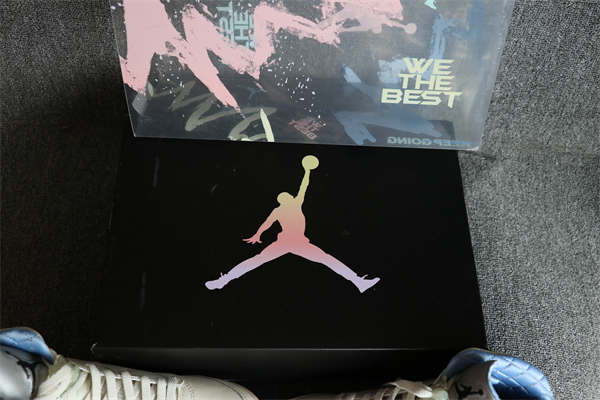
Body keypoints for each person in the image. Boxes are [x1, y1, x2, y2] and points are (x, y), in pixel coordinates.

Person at [205, 155, 380, 293]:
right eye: (287, 196)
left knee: (325, 259)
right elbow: (270, 220)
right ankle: (223, 281)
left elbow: (301, 189)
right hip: (288, 242)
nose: (291, 196)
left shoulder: (286, 207)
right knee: (325, 259)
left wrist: (258, 234)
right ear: (284, 199)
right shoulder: (289, 206)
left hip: (296, 242)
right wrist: (307, 171)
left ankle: (358, 282)